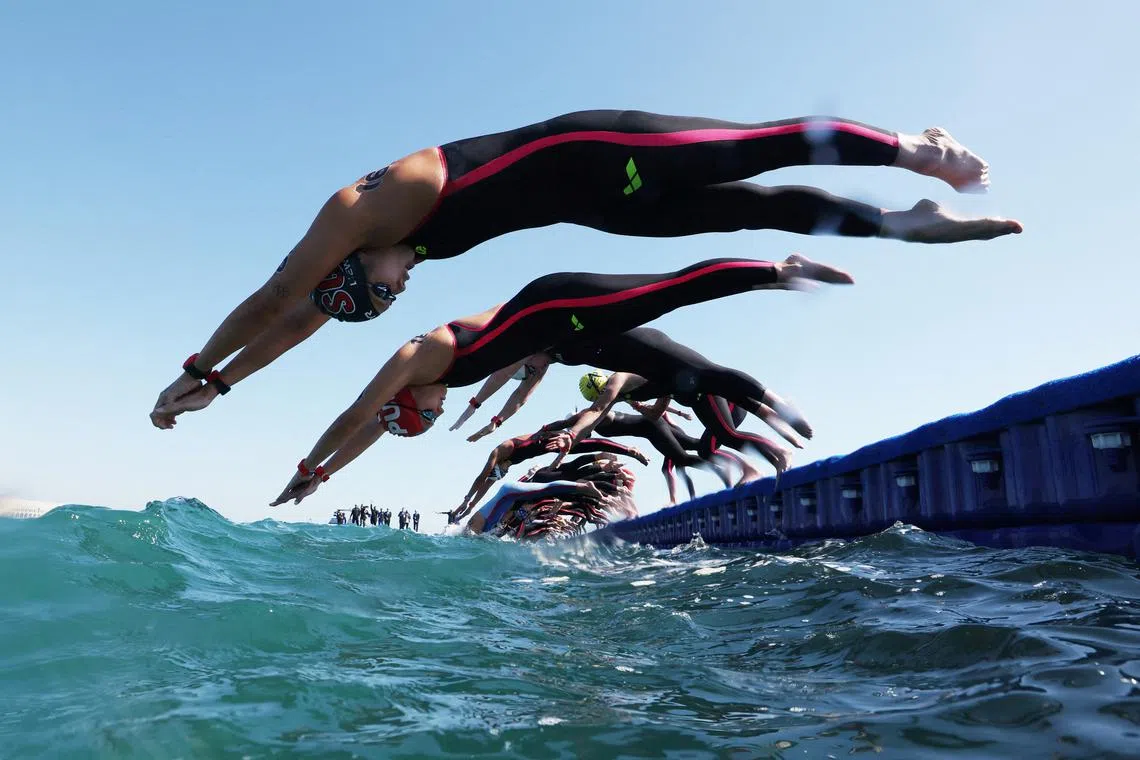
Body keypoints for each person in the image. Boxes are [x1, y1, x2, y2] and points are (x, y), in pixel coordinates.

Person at [150, 111, 1020, 429]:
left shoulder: (364, 210)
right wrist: (221, 388)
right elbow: (296, 324)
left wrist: (194, 363)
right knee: (753, 207)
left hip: (599, 145)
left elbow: (274, 296)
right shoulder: (393, 257)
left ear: (354, 263)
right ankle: (901, 227)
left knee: (756, 147)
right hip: (604, 205)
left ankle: (913, 150)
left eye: (382, 289)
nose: (403, 289)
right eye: (389, 298)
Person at [248, 254, 851, 506]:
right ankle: (768, 403)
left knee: (670, 290)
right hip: (573, 343)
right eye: (431, 419)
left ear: (409, 396)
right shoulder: (434, 384)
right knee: (683, 370)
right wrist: (325, 476)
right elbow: (374, 429)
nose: (435, 414)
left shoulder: (419, 354)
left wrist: (303, 469)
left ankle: (777, 270)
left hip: (556, 304)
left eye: (424, 415)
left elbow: (357, 413)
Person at [452, 430, 648, 520]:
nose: (501, 474)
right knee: (577, 460)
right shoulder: (507, 464)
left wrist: (467, 499)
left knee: (589, 447)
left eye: (499, 472)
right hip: (548, 449)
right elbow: (487, 484)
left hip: (546, 439)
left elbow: (481, 479)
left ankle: (628, 450)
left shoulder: (499, 452)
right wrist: (470, 506)